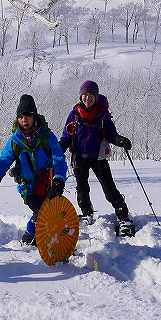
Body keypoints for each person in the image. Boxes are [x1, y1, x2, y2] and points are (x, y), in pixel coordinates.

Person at [0, 94, 67, 246]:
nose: (24, 120)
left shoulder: (47, 136)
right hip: (28, 188)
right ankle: (48, 241)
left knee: (51, 212)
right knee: (44, 212)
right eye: (21, 117)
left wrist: (59, 179)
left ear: (34, 117)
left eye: (27, 115)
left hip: (48, 184)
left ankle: (31, 235)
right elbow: (4, 160)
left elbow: (59, 159)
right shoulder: (15, 141)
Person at [59, 80, 134, 235]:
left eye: (91, 95)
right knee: (82, 189)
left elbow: (112, 134)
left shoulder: (102, 115)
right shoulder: (73, 115)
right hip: (79, 158)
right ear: (81, 97)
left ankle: (122, 216)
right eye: (85, 95)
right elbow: (66, 137)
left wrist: (120, 141)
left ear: (96, 97)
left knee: (109, 188)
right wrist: (59, 149)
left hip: (98, 158)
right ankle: (87, 213)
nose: (88, 98)